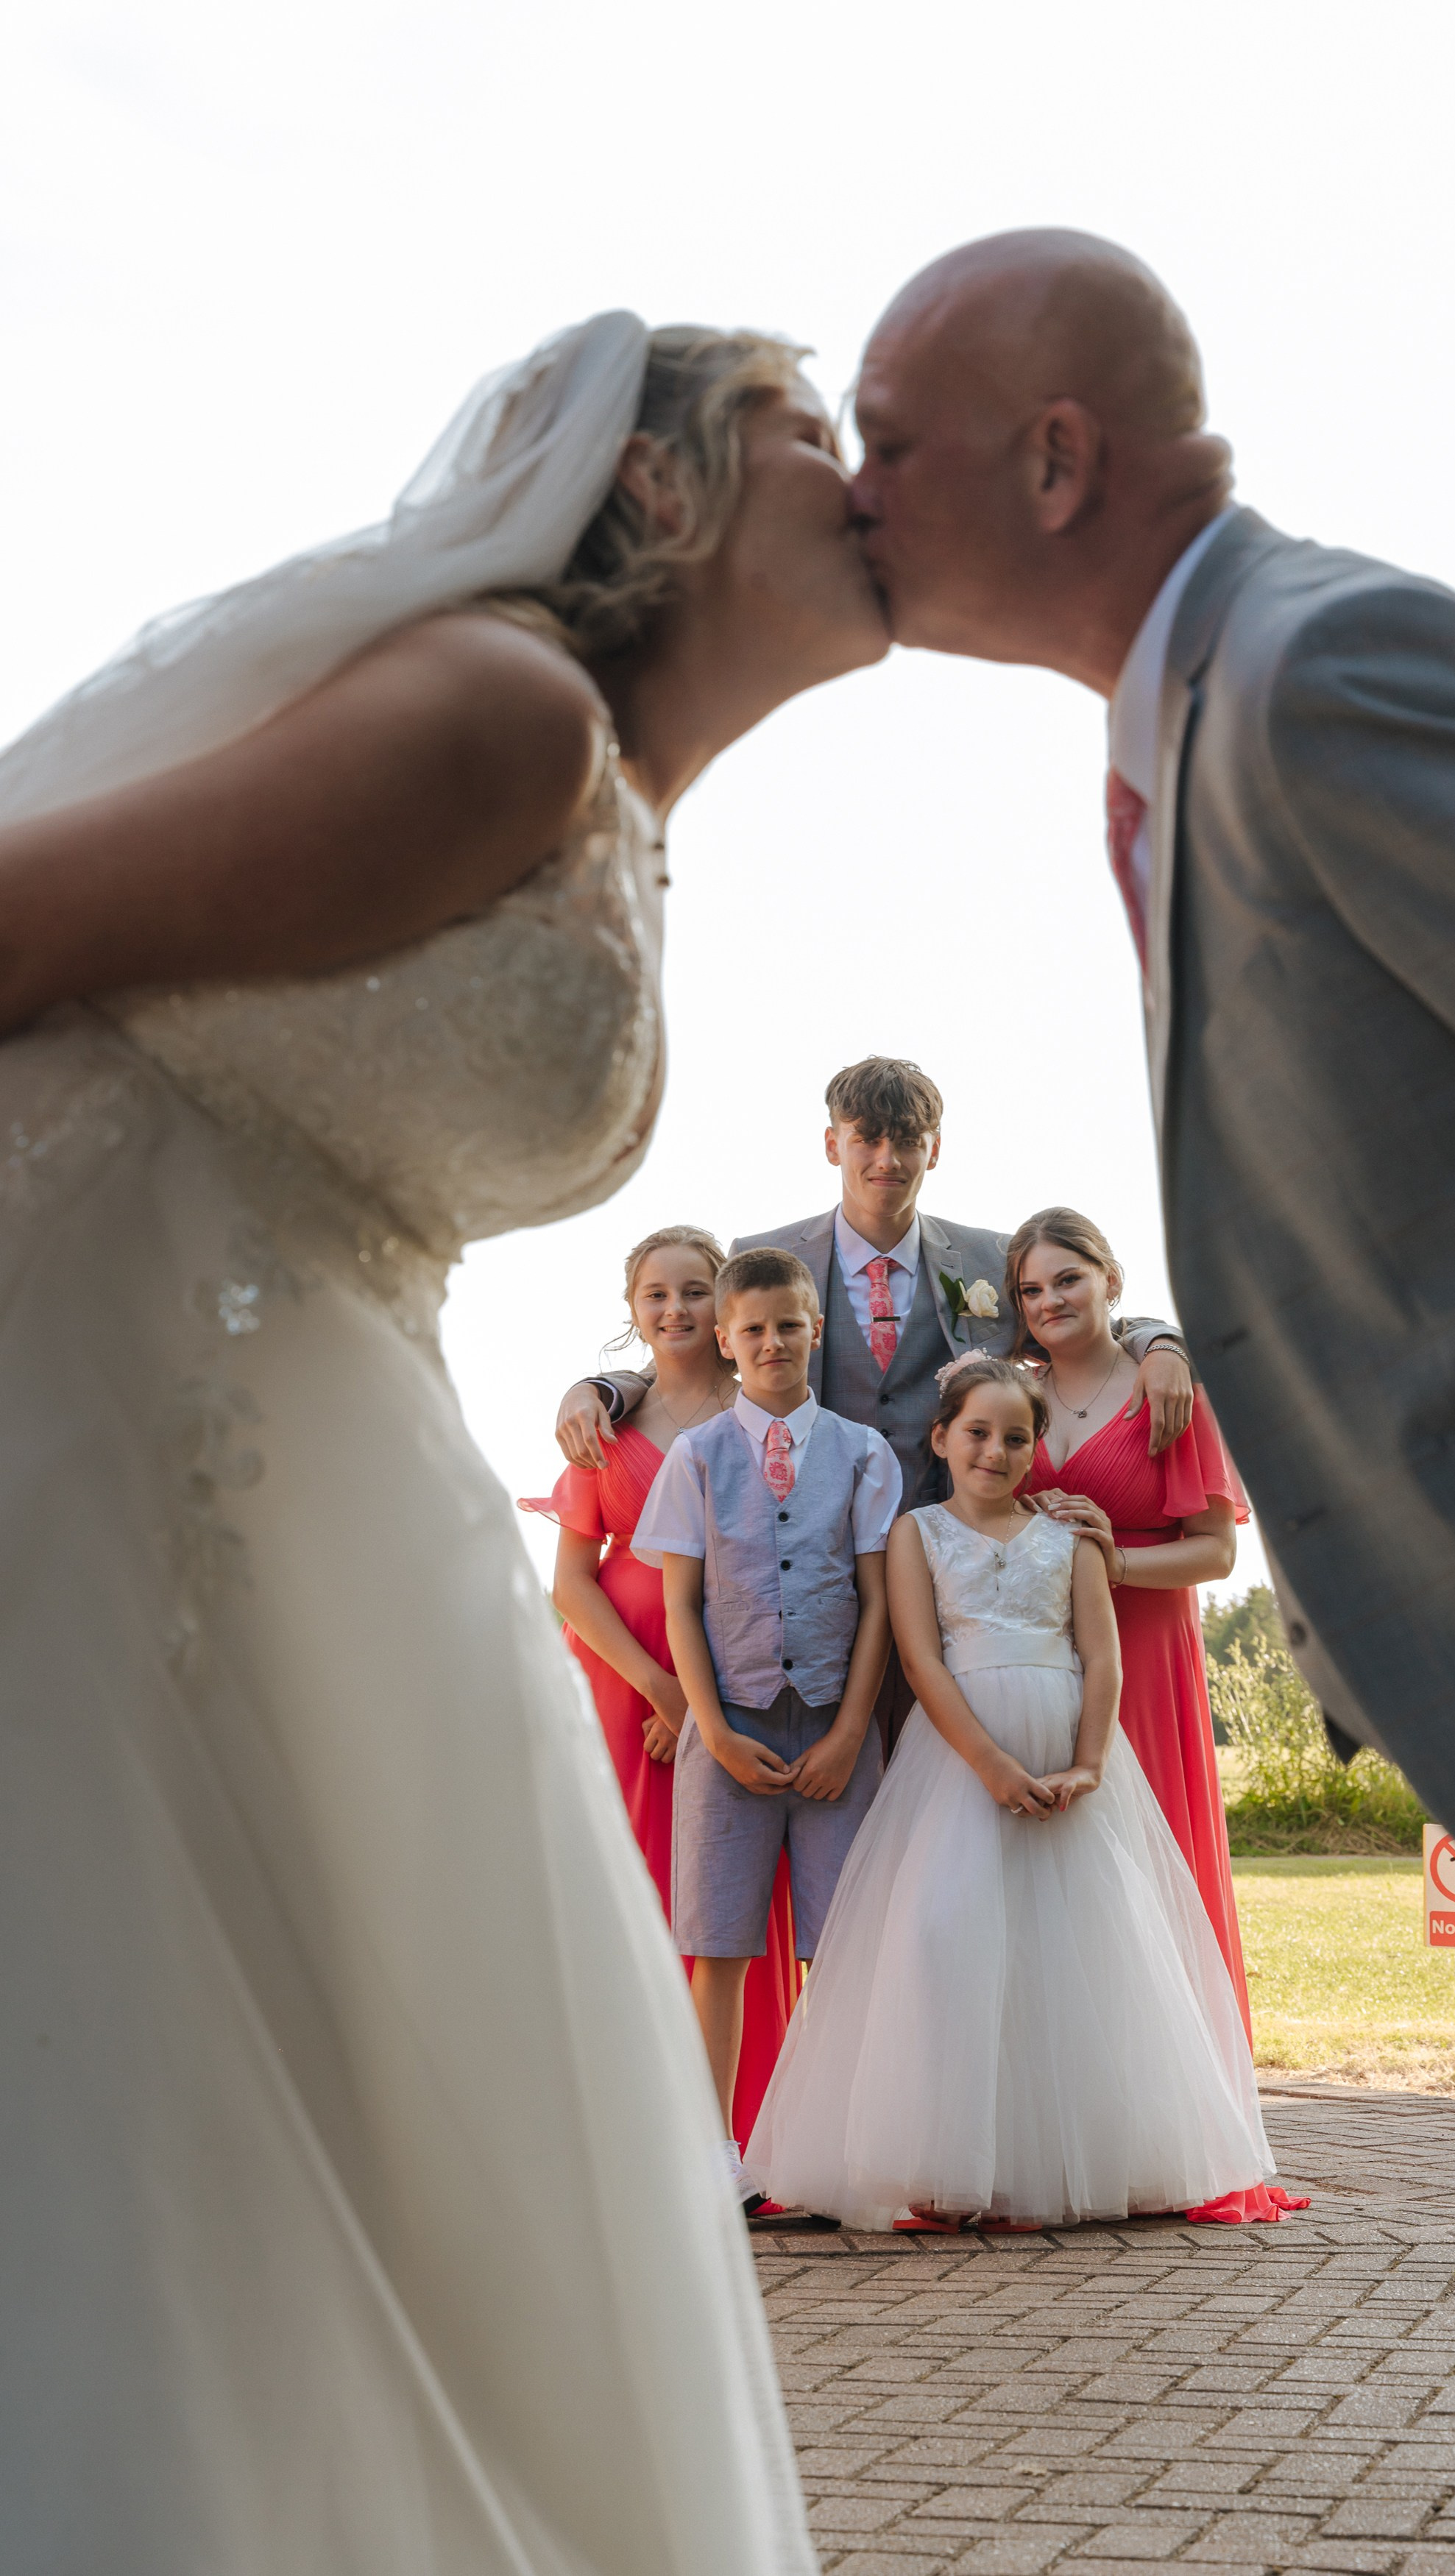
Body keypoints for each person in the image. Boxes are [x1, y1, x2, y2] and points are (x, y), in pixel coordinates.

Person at [851, 227, 1455, 2573]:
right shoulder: (1184, 722)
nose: (849, 488)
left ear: (1053, 458)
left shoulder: (1328, 668)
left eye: (887, 440)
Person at [0, 309, 890, 2574]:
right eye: (808, 428)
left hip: (313, 1450)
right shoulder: (501, 708)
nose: (857, 465)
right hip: (121, 1433)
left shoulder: (604, 790)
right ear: (663, 487)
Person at [746, 1355, 1299, 2233]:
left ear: (1036, 1447)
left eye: (1014, 1437)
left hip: (1066, 1746)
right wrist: (990, 1764)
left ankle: (1089, 2156)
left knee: (1079, 1943)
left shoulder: (1070, 1538)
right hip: (960, 1758)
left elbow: (1102, 1655)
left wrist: (1087, 1762)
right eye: (976, 1432)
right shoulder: (916, 1534)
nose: (994, 1451)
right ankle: (938, 2161)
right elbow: (921, 1660)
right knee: (945, 1935)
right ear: (941, 1437)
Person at [556, 1052, 1194, 1749]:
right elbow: (704, 1364)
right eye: (866, 1136)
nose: (886, 1158)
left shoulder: (988, 1260)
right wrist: (607, 1387)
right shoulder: (765, 1251)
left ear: (935, 1149)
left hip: (963, 1576)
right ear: (833, 1143)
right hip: (814, 1580)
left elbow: (1073, 1324)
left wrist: (1161, 1343)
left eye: (908, 1139)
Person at [518, 1224, 799, 2150]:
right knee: (634, 1892)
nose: (673, 1309)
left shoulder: (763, 1414)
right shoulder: (608, 1429)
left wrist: (706, 1696)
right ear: (631, 1311)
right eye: (655, 1295)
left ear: (724, 1309)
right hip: (623, 1678)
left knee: (731, 1899)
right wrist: (657, 1689)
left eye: (692, 1291)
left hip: (745, 1674)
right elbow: (570, 1580)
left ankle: (742, 2124)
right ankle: (631, 2136)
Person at [631, 1247, 899, 2210]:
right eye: (752, 1330)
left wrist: (847, 1733)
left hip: (834, 1730)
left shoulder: (864, 1455)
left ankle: (828, 2152)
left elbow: (877, 1605)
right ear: (725, 1340)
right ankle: (715, 2156)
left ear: (814, 1330)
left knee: (836, 1948)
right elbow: (679, 1608)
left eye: (789, 1325)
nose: (772, 1343)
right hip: (726, 1732)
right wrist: (711, 1728)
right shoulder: (693, 1460)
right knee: (720, 1944)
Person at [1010, 1208, 1253, 2029]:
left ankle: (1180, 2069)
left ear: (1111, 1278)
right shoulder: (1014, 1395)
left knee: (1154, 1862)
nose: (1050, 1300)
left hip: (1144, 1644)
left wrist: (1115, 1564)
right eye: (1031, 1288)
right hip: (1040, 1650)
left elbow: (1216, 1551)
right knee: (1058, 1863)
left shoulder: (1172, 1390)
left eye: (1068, 1278)